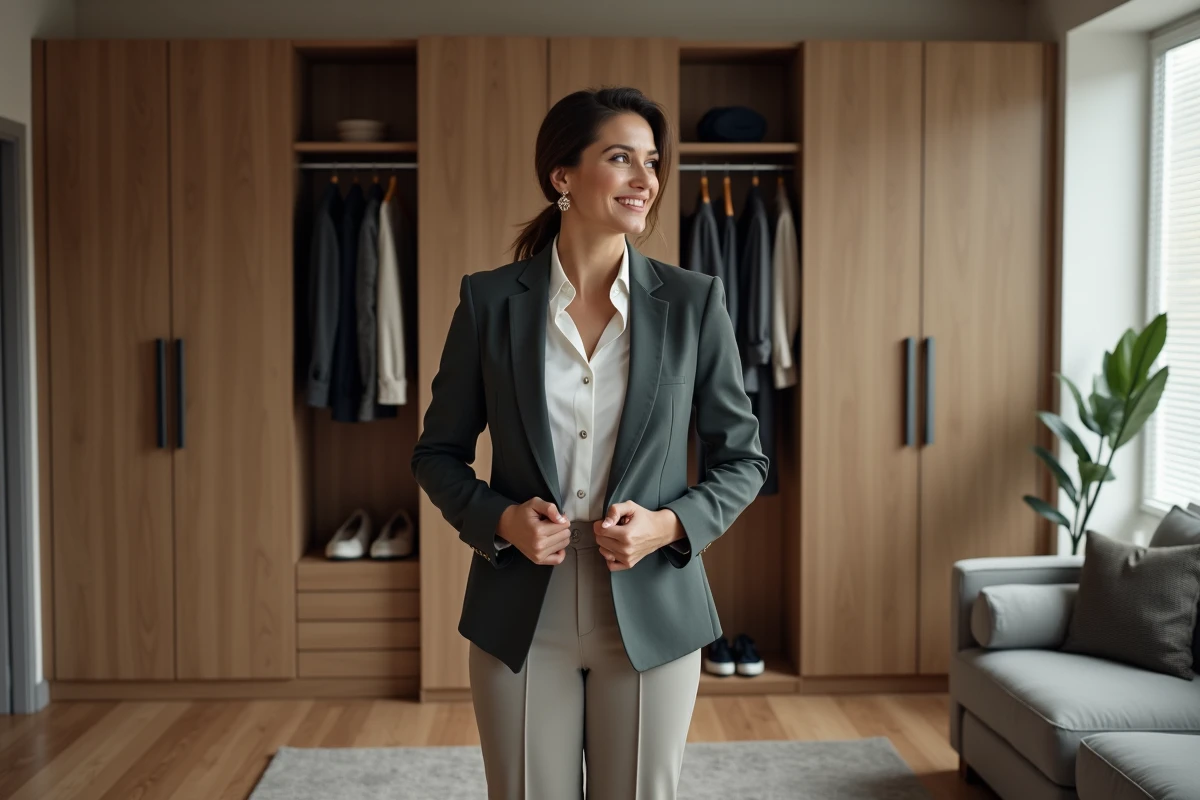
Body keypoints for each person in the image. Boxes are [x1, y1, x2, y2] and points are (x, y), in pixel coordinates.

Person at [411, 86, 768, 800]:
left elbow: (743, 460)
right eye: (620, 159)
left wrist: (667, 524)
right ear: (562, 177)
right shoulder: (489, 302)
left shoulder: (694, 302)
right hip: (520, 609)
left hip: (653, 607)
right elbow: (437, 454)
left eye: (652, 162)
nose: (646, 181)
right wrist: (501, 520)